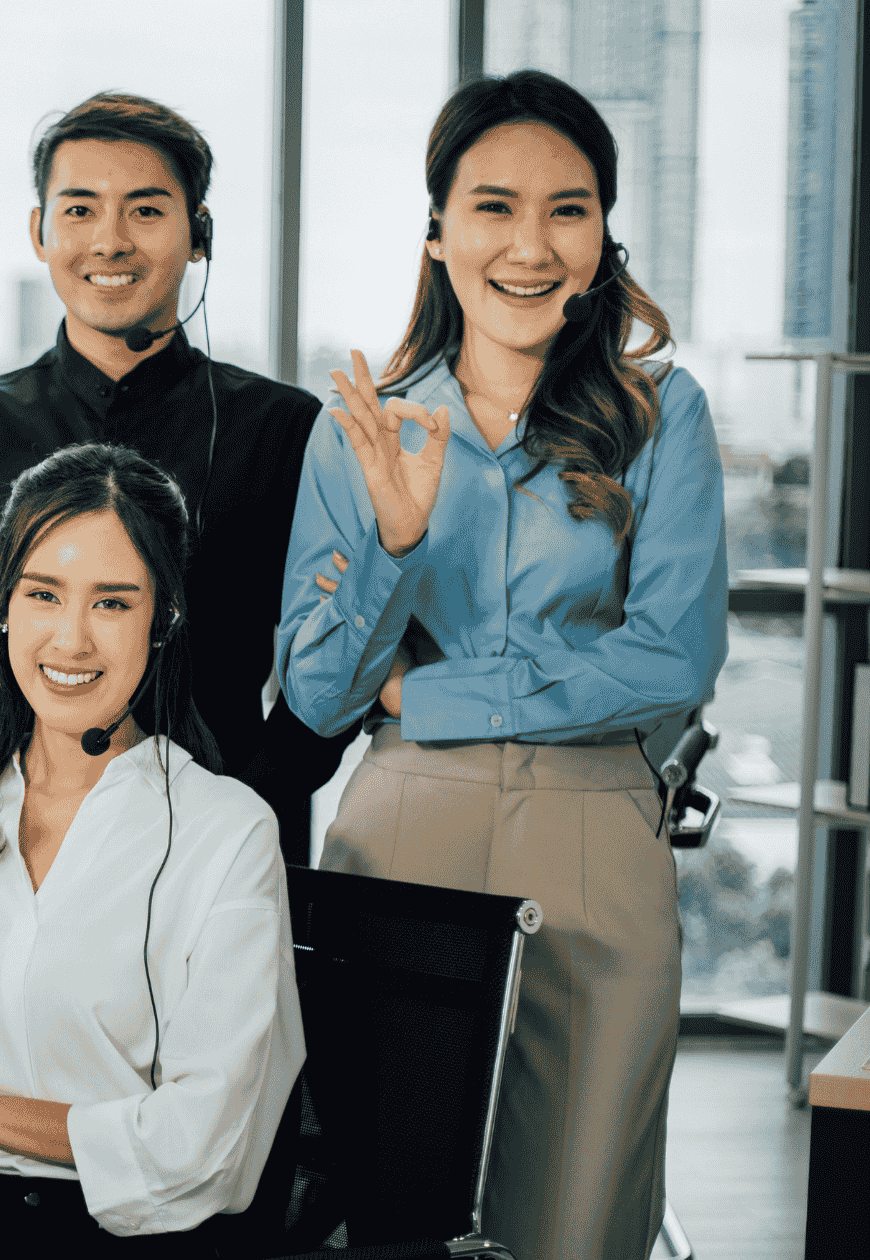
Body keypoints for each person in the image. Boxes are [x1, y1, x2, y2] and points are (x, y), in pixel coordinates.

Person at [277, 70, 725, 1260]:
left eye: (565, 210)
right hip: (400, 847)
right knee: (390, 1221)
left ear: (600, 236)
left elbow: (671, 661)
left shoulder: (659, 415)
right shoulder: (360, 427)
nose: (528, 246)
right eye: (492, 207)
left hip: (595, 851)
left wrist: (428, 694)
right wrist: (394, 545)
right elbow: (315, 695)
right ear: (436, 231)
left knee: (576, 1221)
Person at [0, 92, 352, 867]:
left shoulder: (284, 429)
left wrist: (242, 805)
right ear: (40, 232)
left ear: (199, 234)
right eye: (80, 210)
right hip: (6, 846)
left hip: (215, 853)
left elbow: (335, 666)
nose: (110, 241)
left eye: (146, 211)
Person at [0, 443, 303, 1254]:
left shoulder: (225, 833)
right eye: (43, 594)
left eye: (112, 603)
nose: (70, 640)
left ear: (163, 620)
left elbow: (200, 1155)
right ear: (3, 606)